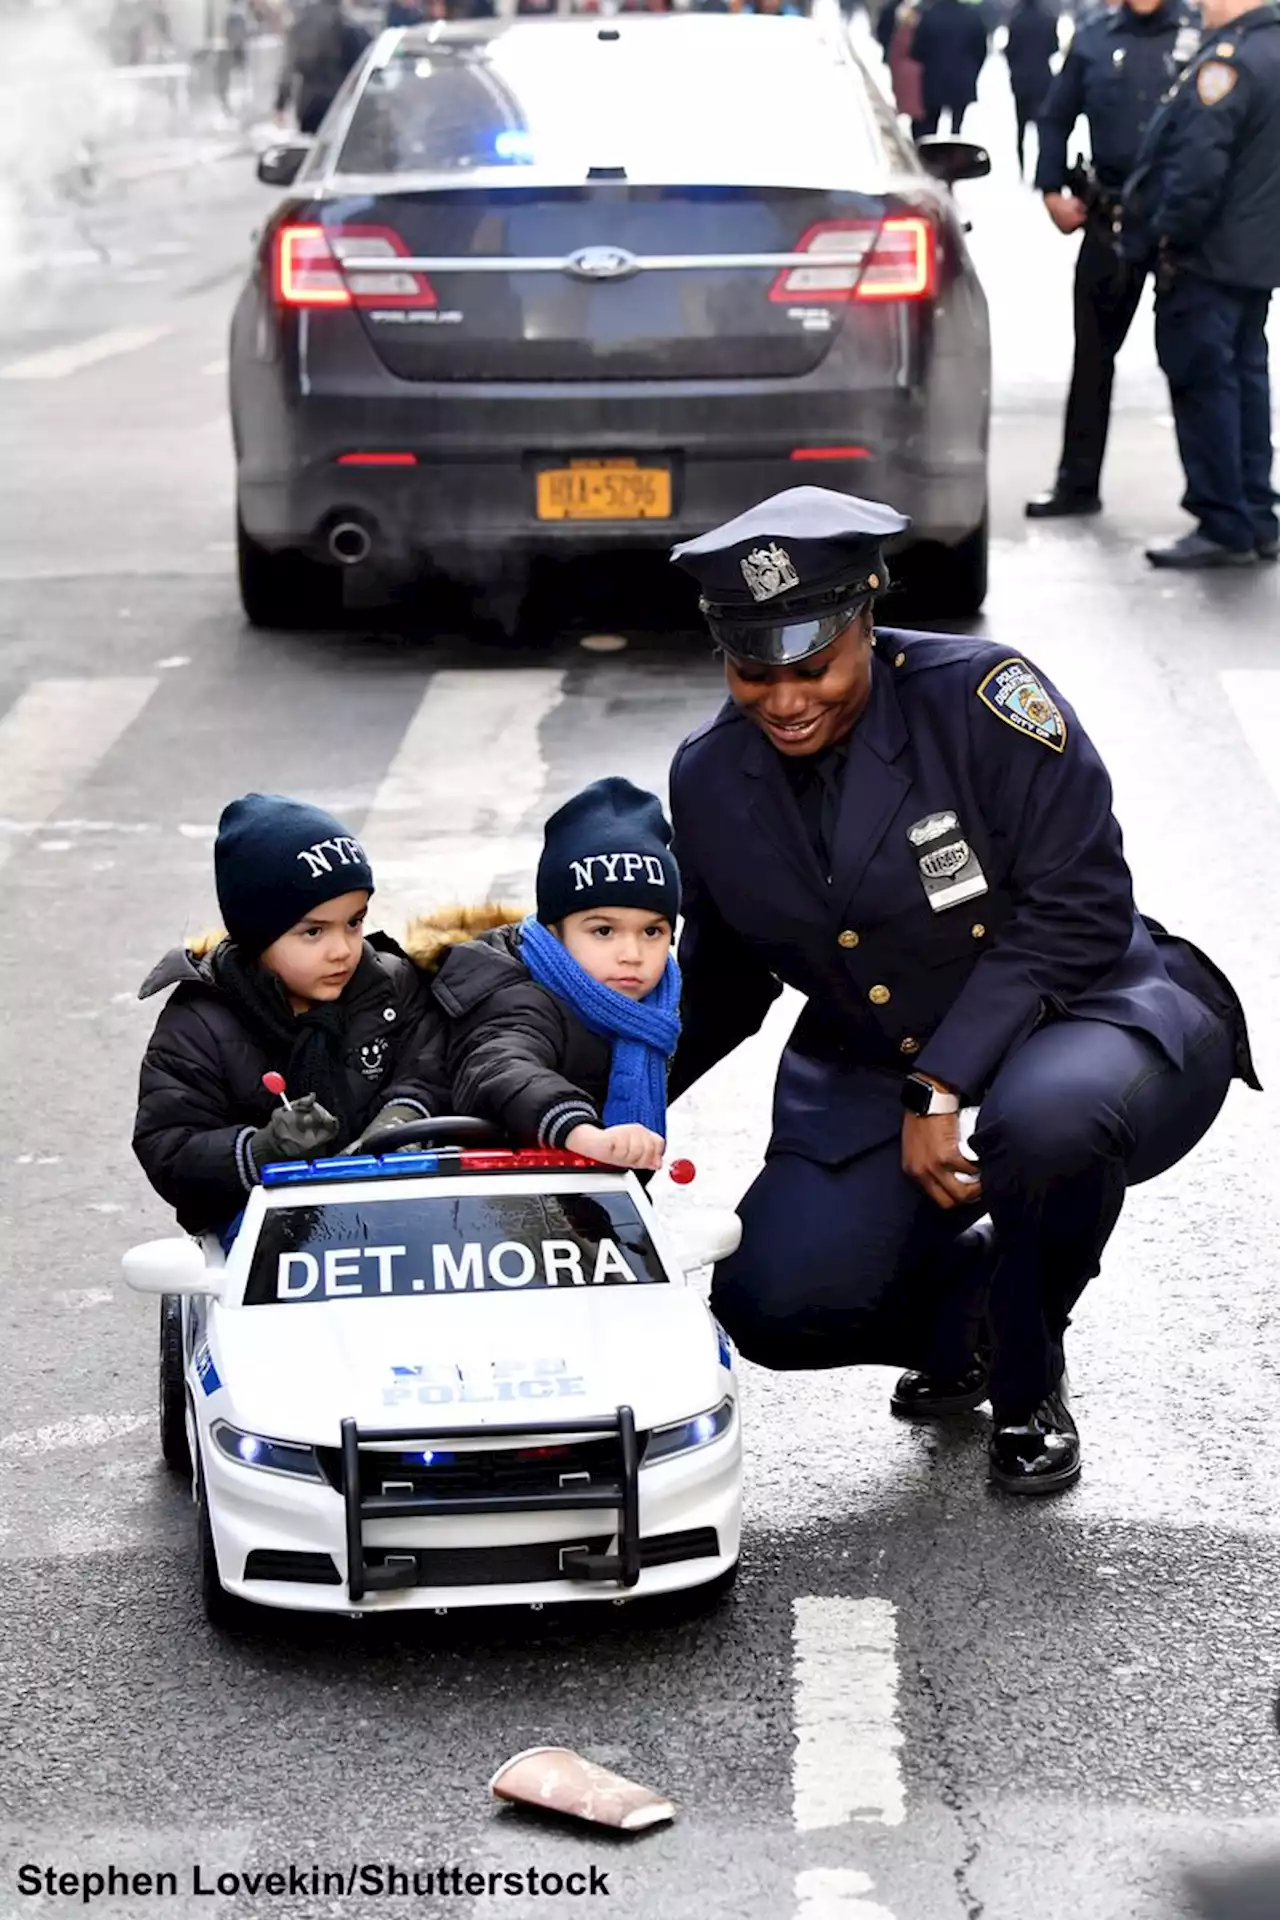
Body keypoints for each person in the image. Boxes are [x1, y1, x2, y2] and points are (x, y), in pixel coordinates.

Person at [666, 487, 1256, 1495]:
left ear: (865, 618)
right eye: (751, 673)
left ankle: (1027, 1380)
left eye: (811, 665)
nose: (782, 699)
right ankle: (975, 1315)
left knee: (1045, 1126)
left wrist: (939, 1085)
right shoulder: (712, 776)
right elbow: (721, 981)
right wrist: (585, 1104)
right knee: (773, 1301)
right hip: (873, 1052)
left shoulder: (980, 698)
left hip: (1080, 1012)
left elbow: (1078, 907)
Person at [133, 794, 450, 1238]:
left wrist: (402, 1120)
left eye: (354, 923)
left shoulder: (390, 984)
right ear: (258, 935)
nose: (342, 950)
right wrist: (261, 1149)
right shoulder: (200, 1022)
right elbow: (168, 1148)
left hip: (396, 1212)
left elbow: (430, 1069)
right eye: (314, 931)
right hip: (264, 1239)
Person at [430, 778, 681, 1174]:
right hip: (485, 1209)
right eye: (603, 931)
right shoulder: (518, 995)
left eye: (652, 931)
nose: (632, 955)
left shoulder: (656, 1009)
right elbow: (499, 1066)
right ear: (554, 932)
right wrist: (584, 1134)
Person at [1026, 0, 1201, 517]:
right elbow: (1055, 117)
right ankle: (1076, 484)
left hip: (1180, 226)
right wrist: (1050, 189)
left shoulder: (1199, 35)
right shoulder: (1094, 39)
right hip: (1111, 221)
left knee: (1196, 363)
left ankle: (1219, 507)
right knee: (1092, 359)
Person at [1121, 0, 1280, 568]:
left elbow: (1197, 169)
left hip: (1206, 260)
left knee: (1204, 386)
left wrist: (1167, 236)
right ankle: (1258, 514)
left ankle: (1223, 522)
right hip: (1254, 260)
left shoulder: (1227, 65)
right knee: (1245, 384)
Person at [274, 0, 370, 136]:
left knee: (311, 148)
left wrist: (280, 104)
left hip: (307, 102)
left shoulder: (301, 23)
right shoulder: (347, 24)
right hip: (337, 100)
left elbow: (289, 67)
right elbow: (360, 68)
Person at [907, 0, 989, 137]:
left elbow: (916, 51)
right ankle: (954, 146)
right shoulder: (972, 16)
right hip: (962, 81)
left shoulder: (929, 15)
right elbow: (981, 50)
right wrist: (973, 72)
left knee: (930, 125)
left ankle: (930, 154)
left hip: (934, 80)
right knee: (957, 124)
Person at [1004, 0, 1061, 178]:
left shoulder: (1016, 19)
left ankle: (1022, 169)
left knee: (1020, 128)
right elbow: (1054, 47)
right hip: (1042, 79)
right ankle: (1039, 170)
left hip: (1020, 80)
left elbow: (1010, 50)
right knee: (1042, 129)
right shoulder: (1048, 18)